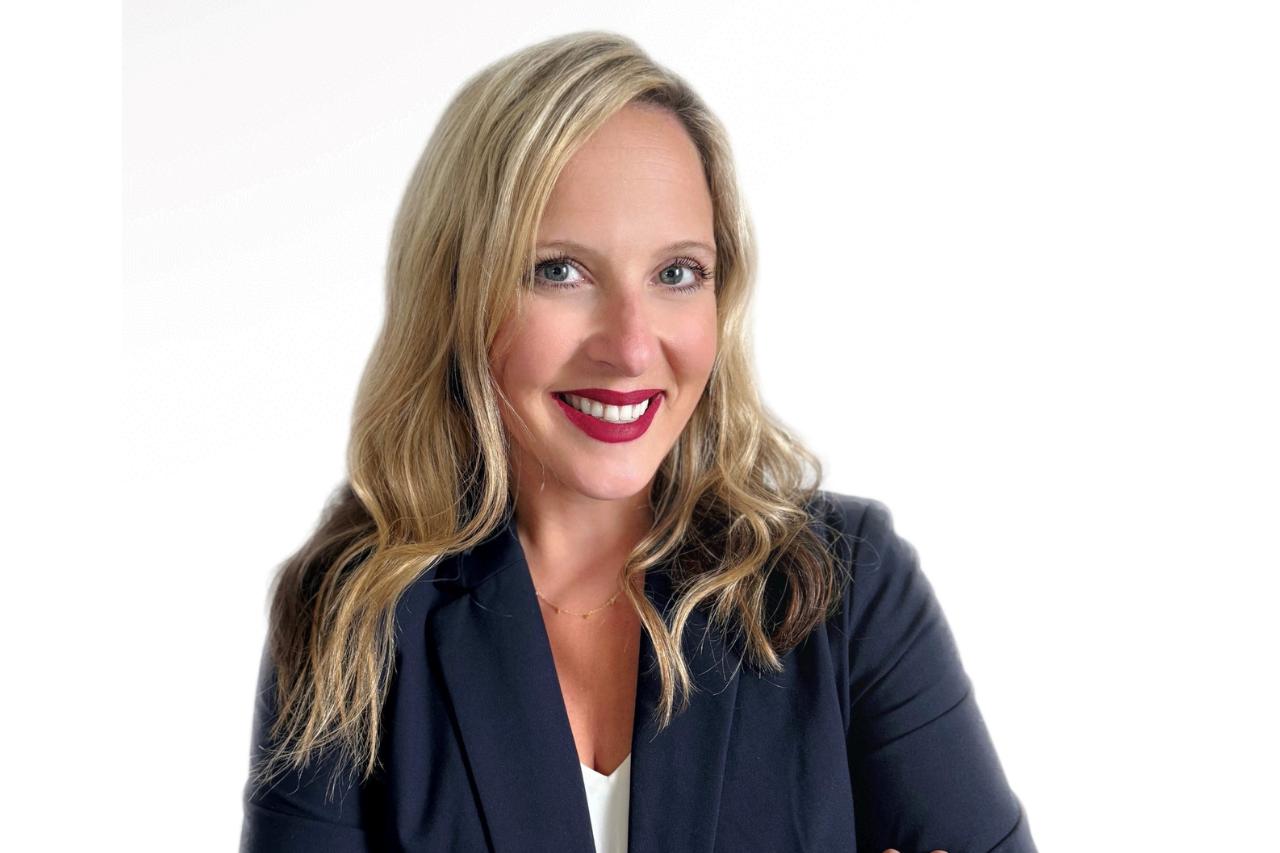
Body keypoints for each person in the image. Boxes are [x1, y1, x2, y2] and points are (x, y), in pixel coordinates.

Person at [239, 30, 1038, 853]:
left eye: (677, 273)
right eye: (560, 270)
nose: (629, 345)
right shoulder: (350, 620)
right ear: (457, 290)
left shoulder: (846, 590)